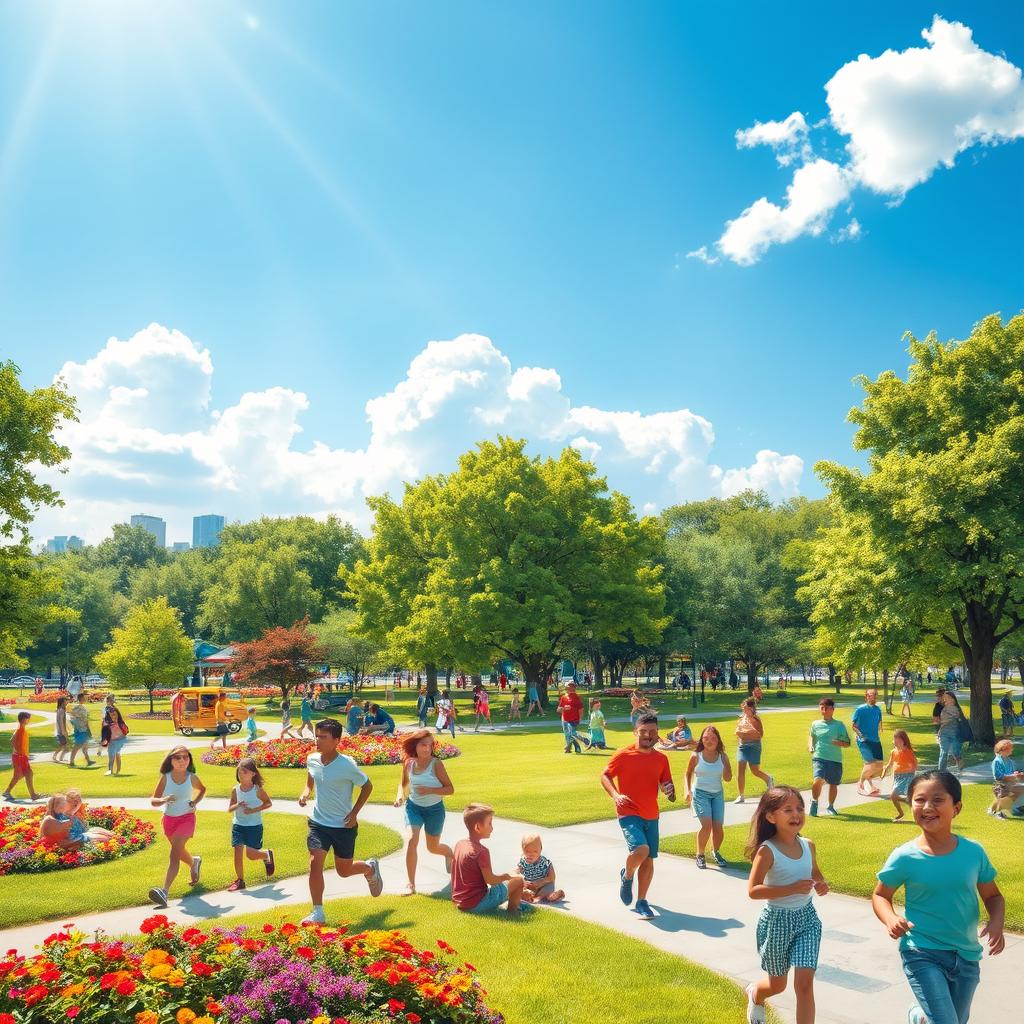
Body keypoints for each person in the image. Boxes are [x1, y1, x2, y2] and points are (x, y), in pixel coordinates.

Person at [872, 771, 1004, 1024]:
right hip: (922, 951)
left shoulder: (973, 853)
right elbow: (880, 895)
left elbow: (993, 896)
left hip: (966, 954)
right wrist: (890, 919)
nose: (927, 807)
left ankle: (919, 1017)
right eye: (919, 800)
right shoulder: (904, 856)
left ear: (956, 808)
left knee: (956, 1020)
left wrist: (996, 921)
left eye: (937, 800)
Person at [744, 786, 829, 1024]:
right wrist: (791, 888)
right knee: (777, 985)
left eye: (800, 808)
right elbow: (753, 890)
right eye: (788, 810)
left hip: (807, 920)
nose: (796, 814)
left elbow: (815, 873)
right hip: (777, 922)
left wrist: (821, 884)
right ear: (771, 817)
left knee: (804, 984)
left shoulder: (808, 845)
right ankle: (755, 994)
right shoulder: (767, 851)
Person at [299, 718, 383, 925]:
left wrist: (354, 813)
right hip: (318, 823)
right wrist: (306, 792)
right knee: (314, 863)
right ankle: (318, 912)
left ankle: (369, 868)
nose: (317, 740)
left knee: (343, 871)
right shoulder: (312, 759)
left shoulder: (347, 765)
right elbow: (311, 777)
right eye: (316, 736)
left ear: (336, 740)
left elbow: (367, 786)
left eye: (323, 737)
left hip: (343, 826)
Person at [601, 711, 675, 919]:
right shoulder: (623, 755)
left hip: (651, 814)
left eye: (652, 731)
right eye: (643, 731)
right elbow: (604, 775)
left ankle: (642, 901)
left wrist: (669, 790)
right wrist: (615, 795)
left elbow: (667, 787)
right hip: (628, 811)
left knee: (649, 858)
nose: (648, 735)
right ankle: (628, 876)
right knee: (641, 849)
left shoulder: (661, 759)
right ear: (636, 732)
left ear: (657, 733)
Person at [393, 728, 455, 895]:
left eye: (430, 745)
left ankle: (450, 853)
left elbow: (450, 789)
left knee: (432, 848)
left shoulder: (436, 764)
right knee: (412, 839)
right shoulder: (409, 763)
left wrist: (429, 790)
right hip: (413, 808)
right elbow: (403, 784)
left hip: (435, 810)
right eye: (423, 745)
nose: (427, 749)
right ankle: (411, 884)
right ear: (416, 745)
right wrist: (400, 797)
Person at [148, 745, 207, 909]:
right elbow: (154, 801)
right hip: (169, 820)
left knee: (174, 854)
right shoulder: (165, 778)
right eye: (178, 757)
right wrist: (164, 799)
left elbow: (202, 789)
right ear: (171, 760)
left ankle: (164, 892)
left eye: (185, 757)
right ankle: (194, 862)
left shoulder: (191, 777)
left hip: (187, 819)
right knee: (180, 852)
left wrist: (194, 802)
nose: (182, 761)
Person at [451, 802, 528, 915]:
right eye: (490, 823)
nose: (492, 828)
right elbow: (491, 881)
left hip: (459, 902)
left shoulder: (459, 844)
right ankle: (513, 912)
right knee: (518, 880)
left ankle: (512, 896)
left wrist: (507, 877)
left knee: (510, 876)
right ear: (477, 827)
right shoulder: (482, 851)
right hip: (477, 904)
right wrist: (508, 876)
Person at [685, 725, 733, 869]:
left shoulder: (723, 756)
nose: (709, 741)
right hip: (700, 793)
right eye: (706, 738)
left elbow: (728, 778)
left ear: (718, 740)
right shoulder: (696, 756)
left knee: (718, 827)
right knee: (707, 826)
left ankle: (715, 852)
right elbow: (687, 773)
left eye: (713, 738)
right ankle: (700, 854)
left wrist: (726, 768)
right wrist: (687, 790)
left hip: (717, 794)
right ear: (702, 740)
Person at [226, 756, 275, 891]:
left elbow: (268, 803)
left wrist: (253, 810)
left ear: (253, 774)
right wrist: (237, 805)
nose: (241, 774)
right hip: (238, 825)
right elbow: (229, 809)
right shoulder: (235, 790)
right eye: (240, 772)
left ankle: (266, 855)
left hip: (254, 826)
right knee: (237, 851)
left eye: (245, 772)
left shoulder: (257, 790)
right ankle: (240, 881)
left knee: (251, 855)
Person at [808, 698, 850, 817]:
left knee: (833, 784)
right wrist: (811, 746)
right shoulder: (815, 724)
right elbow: (811, 736)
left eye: (827, 708)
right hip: (819, 757)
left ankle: (830, 806)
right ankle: (814, 802)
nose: (824, 710)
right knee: (817, 780)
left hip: (835, 759)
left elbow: (847, 743)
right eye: (822, 708)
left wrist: (839, 743)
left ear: (832, 709)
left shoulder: (839, 725)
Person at [735, 698, 774, 803]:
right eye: (743, 708)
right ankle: (741, 795)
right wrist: (740, 738)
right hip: (742, 747)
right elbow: (738, 731)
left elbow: (760, 735)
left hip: (754, 746)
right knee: (740, 768)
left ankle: (768, 779)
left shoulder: (756, 720)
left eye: (746, 708)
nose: (744, 710)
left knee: (755, 771)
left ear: (751, 708)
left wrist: (746, 734)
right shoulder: (741, 718)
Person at [880, 729, 918, 822]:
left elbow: (915, 764)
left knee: (894, 795)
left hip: (907, 776)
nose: (896, 743)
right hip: (897, 777)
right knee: (898, 797)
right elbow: (890, 764)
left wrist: (911, 776)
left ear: (904, 741)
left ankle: (916, 815)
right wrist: (884, 771)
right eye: (895, 740)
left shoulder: (908, 752)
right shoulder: (893, 752)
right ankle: (903, 812)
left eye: (898, 741)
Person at [852, 688, 884, 797]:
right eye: (870, 695)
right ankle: (860, 784)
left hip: (875, 740)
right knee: (870, 764)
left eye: (875, 695)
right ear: (866, 697)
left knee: (879, 765)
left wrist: (879, 730)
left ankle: (869, 783)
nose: (873, 697)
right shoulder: (860, 709)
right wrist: (861, 736)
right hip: (863, 741)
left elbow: (879, 723)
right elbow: (854, 726)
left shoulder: (877, 709)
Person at [3, 712, 42, 802]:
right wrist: (18, 751)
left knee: (19, 775)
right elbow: (12, 741)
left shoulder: (21, 729)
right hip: (20, 756)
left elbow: (12, 740)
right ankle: (33, 795)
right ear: (23, 719)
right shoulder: (20, 729)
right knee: (28, 773)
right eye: (28, 718)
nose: (29, 720)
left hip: (20, 756)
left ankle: (7, 792)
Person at [516, 833, 565, 903]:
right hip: (530, 886)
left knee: (549, 886)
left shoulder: (545, 862)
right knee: (517, 885)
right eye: (527, 851)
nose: (531, 854)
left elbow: (552, 877)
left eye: (535, 851)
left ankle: (544, 896)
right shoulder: (523, 861)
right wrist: (523, 881)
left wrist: (541, 882)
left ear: (540, 849)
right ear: (522, 850)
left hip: (542, 885)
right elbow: (517, 872)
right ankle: (528, 895)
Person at [989, 739, 1024, 819]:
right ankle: (996, 810)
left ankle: (1016, 807)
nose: (1012, 749)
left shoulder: (1009, 761)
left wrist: (1017, 774)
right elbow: (998, 776)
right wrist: (1014, 776)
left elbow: (1011, 773)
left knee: (1021, 789)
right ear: (1003, 749)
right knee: (1018, 790)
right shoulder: (997, 761)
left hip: (1010, 783)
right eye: (1010, 748)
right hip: (1001, 785)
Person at [936, 691, 966, 775]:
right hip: (944, 734)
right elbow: (943, 721)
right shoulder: (944, 708)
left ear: (953, 699)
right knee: (944, 752)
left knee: (955, 753)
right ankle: (941, 772)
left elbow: (947, 720)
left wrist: (941, 725)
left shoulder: (955, 709)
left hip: (954, 734)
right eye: (945, 697)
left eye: (947, 697)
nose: (945, 699)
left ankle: (960, 767)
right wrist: (940, 730)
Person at [101, 695, 129, 776]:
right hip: (112, 737)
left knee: (116, 754)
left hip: (117, 738)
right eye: (110, 700)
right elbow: (104, 720)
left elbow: (118, 720)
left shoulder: (113, 709)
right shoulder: (106, 709)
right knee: (113, 754)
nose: (111, 701)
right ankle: (112, 770)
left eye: (111, 700)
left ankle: (116, 770)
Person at [68, 693, 95, 768]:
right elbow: (72, 715)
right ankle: (71, 762)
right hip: (81, 729)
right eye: (84, 697)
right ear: (81, 698)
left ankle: (88, 761)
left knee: (85, 746)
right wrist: (77, 722)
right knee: (77, 746)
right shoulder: (77, 706)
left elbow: (85, 718)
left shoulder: (82, 706)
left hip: (84, 728)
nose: (86, 699)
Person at [557, 682, 583, 754]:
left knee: (572, 734)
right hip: (565, 719)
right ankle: (569, 748)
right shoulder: (563, 697)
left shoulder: (577, 697)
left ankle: (581, 742)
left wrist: (580, 719)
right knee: (567, 734)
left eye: (570, 687)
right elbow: (558, 709)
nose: (567, 688)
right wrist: (564, 708)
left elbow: (581, 709)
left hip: (574, 719)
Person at [53, 695, 70, 763]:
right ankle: (55, 756)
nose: (67, 702)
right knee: (62, 745)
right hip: (61, 731)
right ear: (62, 702)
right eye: (66, 700)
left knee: (65, 745)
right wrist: (64, 731)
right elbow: (61, 721)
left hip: (61, 730)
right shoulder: (61, 710)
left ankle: (61, 758)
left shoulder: (60, 709)